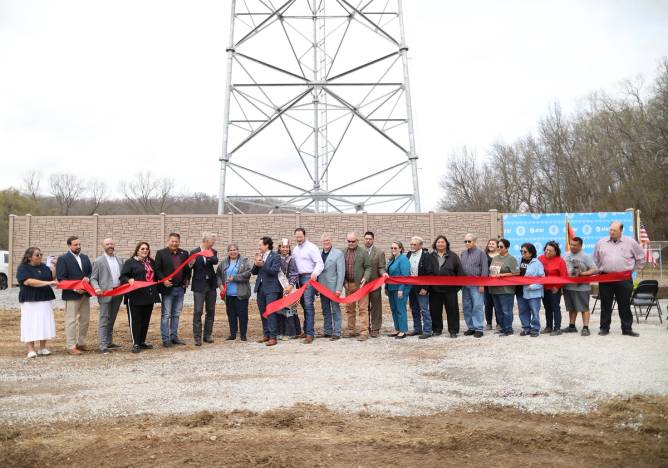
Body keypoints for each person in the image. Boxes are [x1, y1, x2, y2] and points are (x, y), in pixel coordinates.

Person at [593, 221, 645, 337]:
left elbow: (641, 258)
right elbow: (595, 260)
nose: (611, 232)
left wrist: (632, 270)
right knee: (605, 304)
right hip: (605, 278)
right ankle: (604, 328)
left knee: (624, 304)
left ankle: (627, 328)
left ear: (621, 231)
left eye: (614, 230)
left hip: (624, 279)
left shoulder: (631, 243)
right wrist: (600, 269)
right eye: (610, 230)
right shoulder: (601, 242)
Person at [16, 247, 57, 358]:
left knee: (44, 322)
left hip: (45, 298)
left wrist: (54, 267)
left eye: (41, 254)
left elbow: (51, 277)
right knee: (30, 323)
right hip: (30, 299)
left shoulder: (43, 266)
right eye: (37, 255)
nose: (40, 257)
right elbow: (29, 281)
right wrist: (47, 283)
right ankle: (30, 349)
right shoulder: (23, 268)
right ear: (29, 257)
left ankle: (42, 347)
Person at [120, 241, 160, 353]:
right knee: (136, 320)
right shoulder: (130, 262)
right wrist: (129, 279)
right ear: (137, 250)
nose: (145, 250)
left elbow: (157, 275)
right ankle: (136, 343)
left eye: (146, 249)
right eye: (142, 249)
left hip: (149, 295)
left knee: (145, 320)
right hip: (135, 296)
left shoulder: (151, 262)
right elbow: (122, 276)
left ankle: (142, 341)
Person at [56, 236, 92, 356]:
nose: (78, 247)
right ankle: (70, 346)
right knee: (71, 321)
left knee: (85, 320)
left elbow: (90, 272)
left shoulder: (85, 258)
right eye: (75, 245)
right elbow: (61, 278)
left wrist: (88, 278)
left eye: (79, 244)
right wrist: (75, 288)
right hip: (71, 294)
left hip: (85, 294)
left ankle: (81, 343)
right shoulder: (63, 259)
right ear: (69, 246)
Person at [154, 233, 191, 347]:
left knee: (176, 314)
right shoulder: (161, 253)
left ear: (179, 242)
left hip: (180, 289)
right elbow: (157, 269)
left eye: (176, 241)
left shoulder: (184, 253)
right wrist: (163, 280)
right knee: (166, 315)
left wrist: (186, 280)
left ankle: (174, 337)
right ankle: (166, 339)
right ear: (168, 241)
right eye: (172, 241)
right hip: (167, 289)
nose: (174, 243)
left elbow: (187, 270)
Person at [90, 238, 124, 353]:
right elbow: (93, 278)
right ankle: (103, 345)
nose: (110, 245)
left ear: (114, 245)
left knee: (112, 318)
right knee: (104, 319)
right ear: (103, 246)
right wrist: (97, 288)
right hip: (105, 293)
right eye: (107, 244)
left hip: (118, 293)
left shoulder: (120, 260)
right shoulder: (98, 261)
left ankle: (109, 342)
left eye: (111, 243)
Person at [427, 235, 464, 338]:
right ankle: (437, 329)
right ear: (435, 244)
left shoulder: (453, 256)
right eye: (438, 242)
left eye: (442, 242)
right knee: (435, 310)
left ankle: (453, 331)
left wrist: (457, 287)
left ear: (446, 244)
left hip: (450, 289)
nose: (440, 244)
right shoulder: (430, 256)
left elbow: (459, 272)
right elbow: (427, 272)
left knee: (452, 310)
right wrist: (428, 287)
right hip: (434, 289)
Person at [292, 228, 324, 344]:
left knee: (308, 304)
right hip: (298, 279)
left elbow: (319, 263)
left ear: (305, 236)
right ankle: (306, 330)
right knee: (303, 305)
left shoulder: (312, 247)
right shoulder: (295, 249)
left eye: (300, 236)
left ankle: (310, 334)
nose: (299, 239)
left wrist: (315, 273)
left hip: (309, 278)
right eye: (297, 237)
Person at [216, 243, 252, 341]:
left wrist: (235, 278)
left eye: (234, 249)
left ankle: (243, 335)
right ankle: (232, 334)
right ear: (228, 252)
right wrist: (220, 285)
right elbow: (218, 275)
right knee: (231, 314)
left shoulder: (244, 261)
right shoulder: (223, 262)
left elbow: (248, 274)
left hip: (241, 293)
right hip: (228, 294)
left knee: (242, 315)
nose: (233, 252)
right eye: (230, 250)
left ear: (238, 250)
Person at [563, 237, 598, 336]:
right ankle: (572, 326)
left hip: (582, 287)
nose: (572, 246)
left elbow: (594, 269)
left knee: (584, 308)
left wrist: (583, 274)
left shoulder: (586, 256)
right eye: (571, 244)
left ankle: (585, 327)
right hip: (568, 286)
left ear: (580, 246)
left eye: (575, 245)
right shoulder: (565, 255)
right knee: (571, 308)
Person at [252, 236, 282, 346]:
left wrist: (263, 264)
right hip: (260, 288)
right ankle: (266, 334)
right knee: (263, 312)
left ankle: (273, 337)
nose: (259, 247)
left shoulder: (276, 256)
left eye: (260, 245)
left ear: (267, 245)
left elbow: (274, 271)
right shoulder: (260, 256)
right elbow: (254, 272)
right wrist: (256, 263)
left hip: (272, 289)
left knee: (271, 312)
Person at [190, 232, 219, 346]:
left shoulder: (213, 251)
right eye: (212, 242)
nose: (213, 244)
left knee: (210, 310)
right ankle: (197, 337)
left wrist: (208, 254)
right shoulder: (194, 252)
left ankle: (208, 335)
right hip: (199, 285)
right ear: (206, 241)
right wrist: (190, 264)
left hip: (211, 284)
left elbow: (215, 261)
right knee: (198, 311)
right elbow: (189, 267)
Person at [343, 232, 371, 341]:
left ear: (357, 241)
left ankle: (364, 332)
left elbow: (368, 267)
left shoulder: (363, 253)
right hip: (348, 285)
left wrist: (366, 277)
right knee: (350, 309)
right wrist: (344, 282)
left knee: (363, 309)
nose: (350, 243)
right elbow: (341, 268)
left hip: (361, 285)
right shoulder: (343, 252)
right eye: (349, 241)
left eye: (353, 241)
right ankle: (351, 331)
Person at [460, 233, 488, 338]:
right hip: (465, 285)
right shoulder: (463, 253)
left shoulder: (481, 253)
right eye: (465, 241)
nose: (467, 243)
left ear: (474, 242)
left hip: (477, 285)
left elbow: (485, 269)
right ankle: (471, 327)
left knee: (477, 306)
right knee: (467, 306)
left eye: (469, 241)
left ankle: (479, 328)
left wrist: (482, 284)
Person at [488, 238, 518, 336]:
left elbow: (516, 273)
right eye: (498, 246)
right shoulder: (495, 258)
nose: (499, 248)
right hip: (495, 289)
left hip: (506, 289)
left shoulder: (511, 259)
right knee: (498, 310)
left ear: (507, 248)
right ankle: (502, 327)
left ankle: (508, 329)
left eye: (501, 247)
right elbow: (492, 271)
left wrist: (502, 275)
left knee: (506, 310)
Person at [318, 233, 345, 341]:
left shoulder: (338, 254)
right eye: (324, 240)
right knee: (325, 310)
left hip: (333, 288)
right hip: (322, 287)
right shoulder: (319, 253)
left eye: (328, 240)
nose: (326, 242)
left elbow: (341, 273)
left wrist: (339, 288)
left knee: (335, 310)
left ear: (331, 241)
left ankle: (337, 332)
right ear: (322, 242)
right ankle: (327, 331)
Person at [538, 240, 568, 336]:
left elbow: (564, 276)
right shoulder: (540, 258)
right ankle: (548, 326)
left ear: (555, 252)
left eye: (550, 251)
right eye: (546, 249)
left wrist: (558, 287)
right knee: (547, 308)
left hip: (554, 289)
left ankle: (557, 328)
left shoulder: (560, 261)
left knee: (555, 308)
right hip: (543, 288)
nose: (547, 252)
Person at [407, 236, 432, 339]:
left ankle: (427, 330)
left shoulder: (426, 256)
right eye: (411, 244)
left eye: (414, 244)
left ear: (420, 245)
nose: (412, 246)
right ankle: (417, 329)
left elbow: (429, 273)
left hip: (422, 286)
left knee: (424, 308)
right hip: (411, 286)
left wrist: (425, 288)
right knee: (414, 308)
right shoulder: (408, 254)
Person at [384, 241, 411, 338]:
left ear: (400, 249)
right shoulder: (392, 259)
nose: (393, 250)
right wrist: (386, 287)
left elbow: (405, 275)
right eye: (391, 248)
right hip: (391, 288)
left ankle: (403, 330)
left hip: (400, 289)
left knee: (400, 309)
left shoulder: (403, 259)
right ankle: (397, 328)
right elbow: (388, 275)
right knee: (394, 309)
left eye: (395, 248)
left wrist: (401, 289)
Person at [276, 238, 301, 339]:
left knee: (289, 309)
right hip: (279, 287)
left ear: (289, 248)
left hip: (288, 287)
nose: (285, 249)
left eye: (287, 247)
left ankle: (291, 332)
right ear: (279, 248)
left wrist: (290, 285)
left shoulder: (292, 259)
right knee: (280, 310)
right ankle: (281, 332)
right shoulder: (276, 258)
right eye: (283, 247)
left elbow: (295, 273)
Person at [517, 243, 544, 337]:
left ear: (531, 253)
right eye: (521, 251)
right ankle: (526, 328)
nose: (522, 253)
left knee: (534, 311)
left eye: (525, 251)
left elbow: (542, 278)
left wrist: (532, 286)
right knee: (522, 311)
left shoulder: (537, 263)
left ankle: (535, 329)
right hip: (520, 290)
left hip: (533, 292)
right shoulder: (518, 260)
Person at [364, 231, 386, 337]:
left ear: (373, 240)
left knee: (376, 307)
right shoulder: (360, 251)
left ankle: (375, 328)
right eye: (366, 238)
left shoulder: (379, 252)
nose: (368, 240)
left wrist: (383, 274)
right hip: (363, 284)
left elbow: (381, 267)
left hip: (375, 284)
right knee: (364, 306)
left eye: (370, 239)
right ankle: (365, 327)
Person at [484, 239, 500, 330]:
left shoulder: (499, 256)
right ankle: (489, 323)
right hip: (486, 284)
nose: (490, 245)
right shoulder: (484, 256)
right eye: (489, 243)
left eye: (493, 244)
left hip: (497, 284)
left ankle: (499, 323)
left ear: (497, 246)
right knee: (488, 304)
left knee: (497, 304)